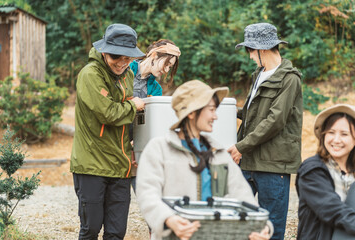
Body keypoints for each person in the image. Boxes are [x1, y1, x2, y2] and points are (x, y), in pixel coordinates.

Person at [136, 80, 273, 240]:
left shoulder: (219, 154)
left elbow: (244, 198)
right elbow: (147, 195)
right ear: (192, 112)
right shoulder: (159, 149)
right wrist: (168, 219)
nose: (215, 116)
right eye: (211, 110)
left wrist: (263, 227)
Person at [227, 22, 303, 240]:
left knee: (270, 228)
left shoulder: (290, 78)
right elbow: (255, 114)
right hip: (248, 161)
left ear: (261, 50)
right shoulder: (259, 74)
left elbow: (275, 120)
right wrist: (230, 110)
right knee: (240, 225)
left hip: (273, 164)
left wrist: (241, 146)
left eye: (250, 51)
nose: (249, 56)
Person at [70, 23, 145, 240]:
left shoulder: (127, 75)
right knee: (91, 229)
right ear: (104, 52)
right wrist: (134, 106)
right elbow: (109, 113)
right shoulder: (90, 75)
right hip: (92, 164)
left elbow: (127, 118)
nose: (122, 63)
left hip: (120, 165)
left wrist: (135, 148)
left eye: (127, 58)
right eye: (116, 57)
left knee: (116, 232)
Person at [296, 104, 355, 240]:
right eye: (331, 132)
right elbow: (333, 210)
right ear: (323, 135)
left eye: (344, 134)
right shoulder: (312, 170)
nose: (336, 140)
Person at [129, 39, 181, 191]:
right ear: (154, 55)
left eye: (170, 67)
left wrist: (138, 144)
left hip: (135, 146)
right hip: (113, 141)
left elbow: (151, 123)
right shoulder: (125, 71)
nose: (166, 71)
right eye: (166, 64)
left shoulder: (156, 89)